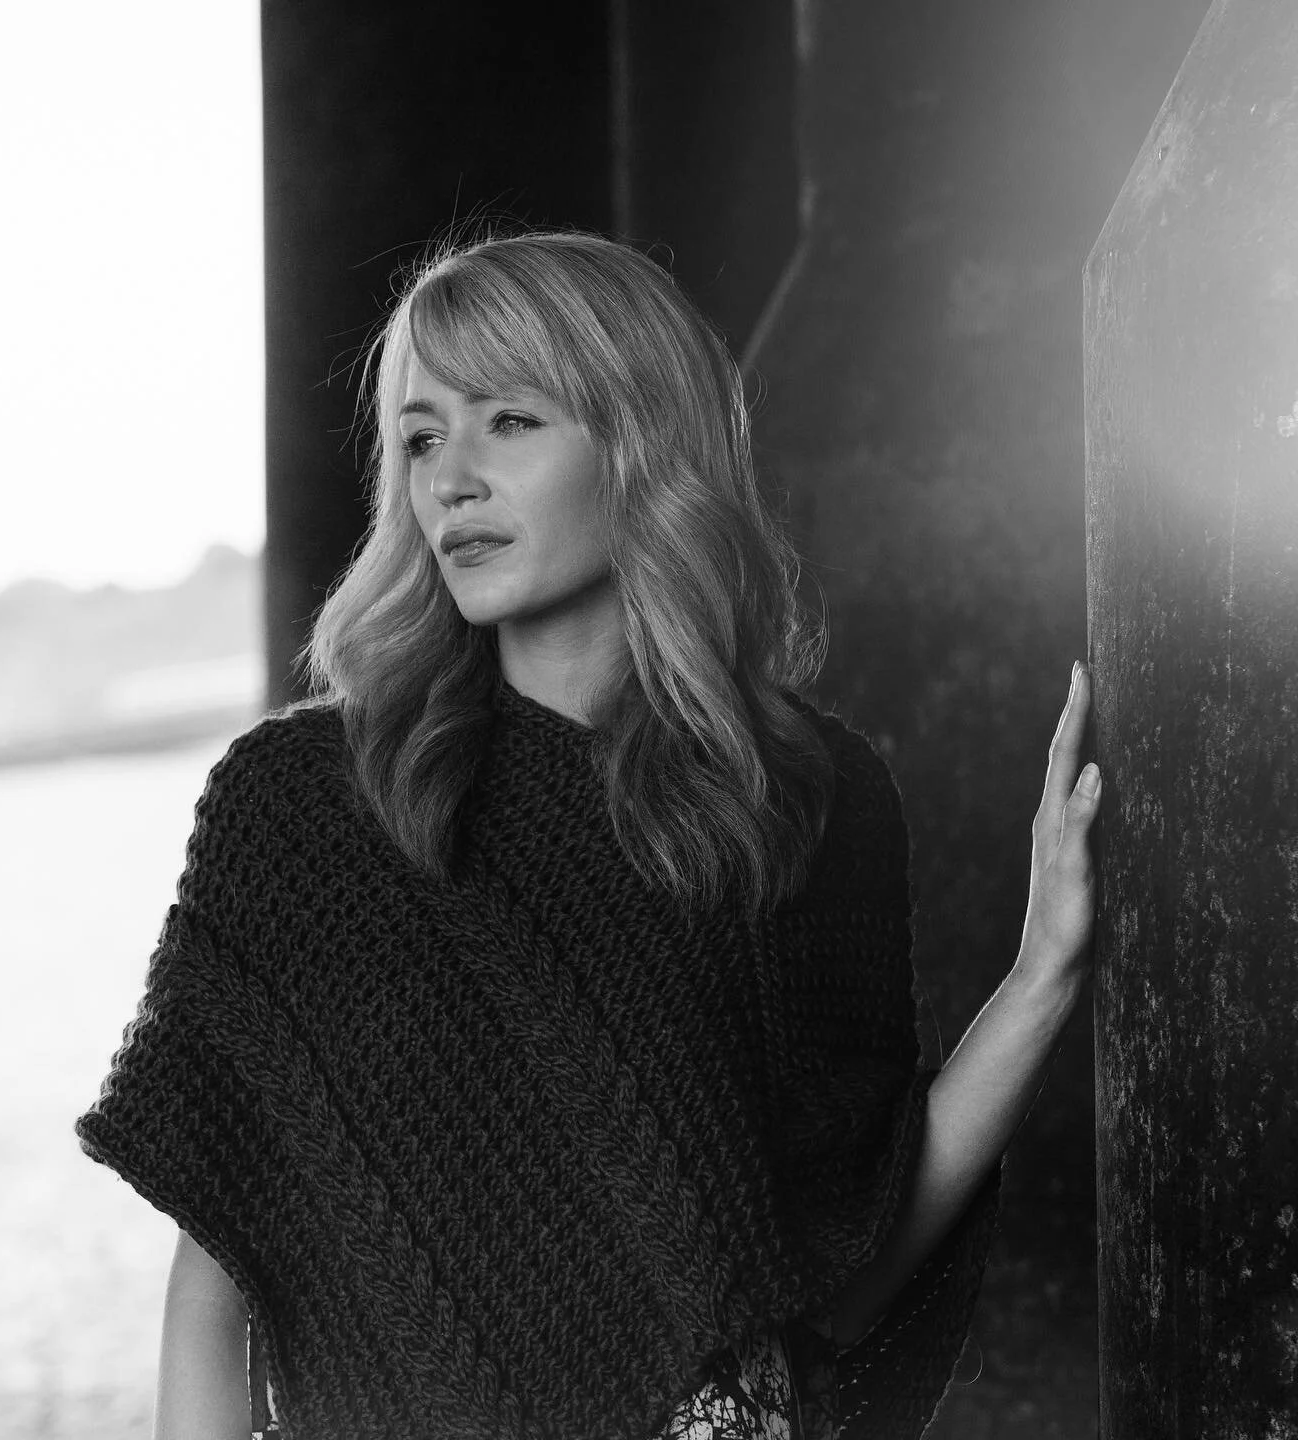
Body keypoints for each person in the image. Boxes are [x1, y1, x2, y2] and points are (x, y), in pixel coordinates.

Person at [75, 228, 1100, 1440]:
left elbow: (843, 1272)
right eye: (419, 436)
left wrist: (1044, 977)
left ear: (638, 443)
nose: (450, 477)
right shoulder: (299, 809)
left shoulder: (810, 801)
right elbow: (216, 1282)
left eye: (509, 421)